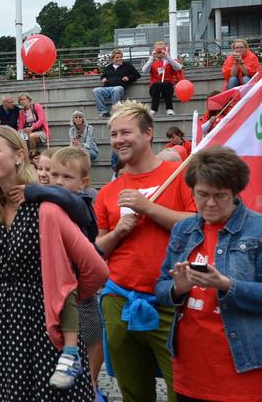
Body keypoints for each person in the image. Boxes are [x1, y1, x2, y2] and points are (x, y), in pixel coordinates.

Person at [0, 126, 107, 399]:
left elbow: (96, 268)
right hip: (7, 325)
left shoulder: (47, 209)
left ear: (19, 155)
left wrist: (66, 298)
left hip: (49, 325)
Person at [94, 100, 196, 402]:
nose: (118, 140)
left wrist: (148, 208)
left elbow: (197, 224)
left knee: (183, 390)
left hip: (173, 301)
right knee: (133, 392)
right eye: (113, 134)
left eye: (126, 132)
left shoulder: (179, 175)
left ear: (148, 133)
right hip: (120, 298)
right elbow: (100, 248)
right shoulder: (108, 192)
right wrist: (117, 232)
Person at [154, 147, 262, 401]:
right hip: (190, 370)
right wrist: (177, 288)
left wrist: (225, 284)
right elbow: (160, 287)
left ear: (235, 192)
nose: (210, 203)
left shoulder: (257, 230)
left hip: (242, 370)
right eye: (202, 195)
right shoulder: (184, 229)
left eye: (220, 196)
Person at [47, 146, 105, 391]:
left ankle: (89, 380)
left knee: (90, 334)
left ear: (84, 183)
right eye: (54, 175)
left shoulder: (79, 202)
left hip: (78, 287)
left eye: (67, 177)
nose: (58, 183)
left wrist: (31, 190)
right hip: (58, 284)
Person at [93, 49, 141, 117]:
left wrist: (128, 77)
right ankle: (104, 111)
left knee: (116, 89)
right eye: (117, 57)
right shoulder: (109, 67)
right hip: (107, 88)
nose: (119, 59)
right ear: (113, 59)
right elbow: (103, 76)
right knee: (96, 90)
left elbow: (137, 75)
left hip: (119, 87)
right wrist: (103, 78)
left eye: (120, 57)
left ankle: (115, 111)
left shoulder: (127, 65)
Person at [142, 41, 184, 116]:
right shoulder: (152, 62)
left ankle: (169, 108)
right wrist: (151, 58)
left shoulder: (169, 61)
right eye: (157, 49)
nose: (159, 51)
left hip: (167, 87)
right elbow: (144, 70)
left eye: (161, 49)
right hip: (155, 88)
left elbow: (178, 68)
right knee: (157, 84)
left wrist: (167, 57)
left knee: (165, 84)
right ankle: (154, 109)